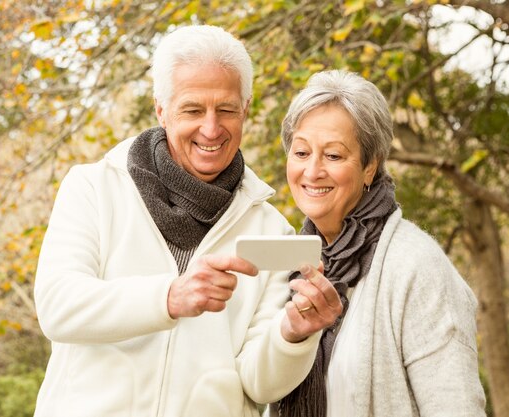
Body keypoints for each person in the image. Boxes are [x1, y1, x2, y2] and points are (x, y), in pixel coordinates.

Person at [32, 25, 343, 417]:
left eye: (226, 110)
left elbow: (260, 383)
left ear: (246, 108)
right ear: (161, 109)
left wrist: (293, 335)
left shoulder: (270, 228)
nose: (211, 129)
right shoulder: (94, 187)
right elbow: (58, 307)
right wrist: (168, 297)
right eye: (193, 110)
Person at [269, 70, 486, 417]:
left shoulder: (416, 265)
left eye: (334, 156)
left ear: (370, 166)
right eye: (301, 152)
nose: (312, 171)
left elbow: (455, 406)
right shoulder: (292, 261)